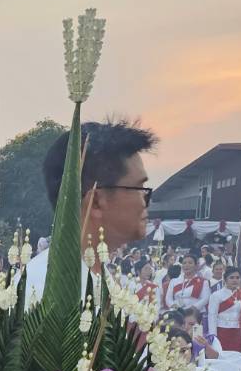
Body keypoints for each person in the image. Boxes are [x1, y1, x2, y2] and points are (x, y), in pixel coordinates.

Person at [30, 120, 157, 305]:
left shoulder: (97, 277)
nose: (145, 201)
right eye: (139, 188)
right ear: (96, 202)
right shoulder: (52, 296)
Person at [207, 267, 241, 353]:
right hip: (221, 331)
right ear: (225, 279)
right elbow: (212, 316)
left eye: (237, 278)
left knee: (236, 356)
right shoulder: (216, 295)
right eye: (232, 277)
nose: (235, 280)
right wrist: (213, 335)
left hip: (237, 333)